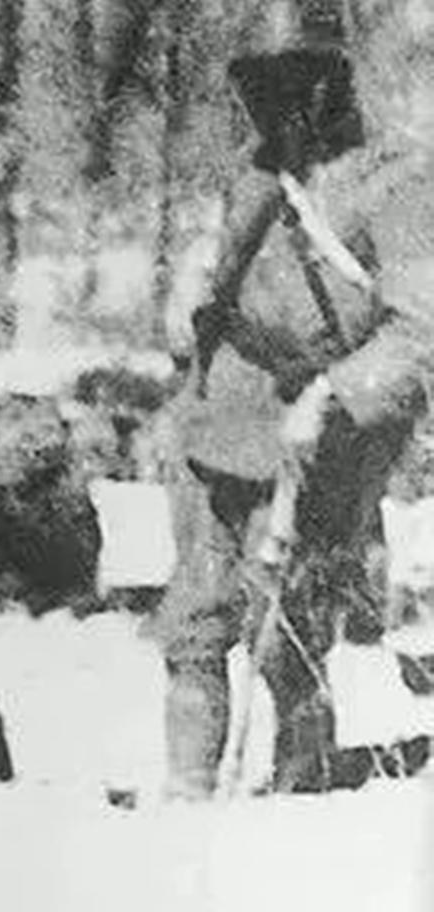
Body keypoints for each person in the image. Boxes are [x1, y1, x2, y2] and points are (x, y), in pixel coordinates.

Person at [155, 0, 434, 798]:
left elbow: (421, 332)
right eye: (260, 84)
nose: (274, 102)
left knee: (288, 627)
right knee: (196, 616)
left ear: (329, 80)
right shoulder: (251, 176)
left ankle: (298, 789)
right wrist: (187, 308)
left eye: (293, 80)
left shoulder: (396, 180)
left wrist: (336, 395)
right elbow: (215, 296)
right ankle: (187, 795)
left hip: (329, 424)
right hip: (223, 408)